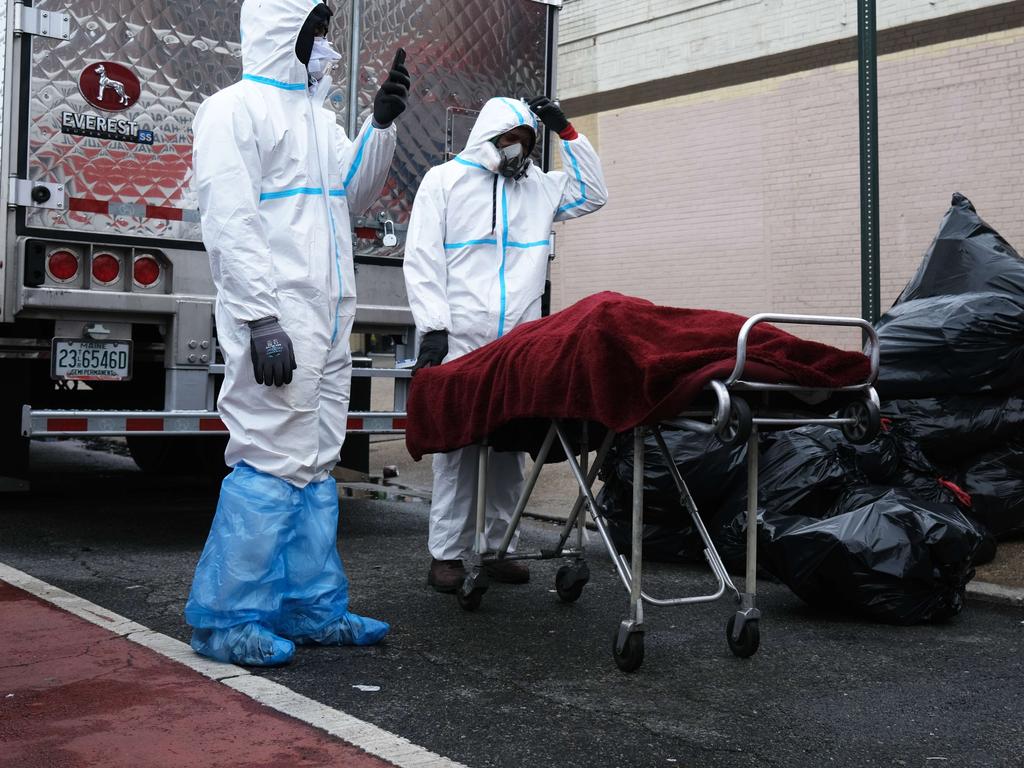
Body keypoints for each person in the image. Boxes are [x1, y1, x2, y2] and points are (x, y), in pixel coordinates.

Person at [184, 0, 410, 666]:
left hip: (329, 316)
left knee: (314, 459)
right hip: (279, 317)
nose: (325, 45)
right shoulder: (233, 110)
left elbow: (352, 192)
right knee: (269, 456)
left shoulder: (317, 119)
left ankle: (311, 608)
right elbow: (230, 219)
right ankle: (226, 618)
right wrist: (260, 317)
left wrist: (380, 126)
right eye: (315, 31)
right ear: (284, 33)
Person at [403, 96, 608, 592]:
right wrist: (432, 328)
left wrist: (568, 132)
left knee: (510, 448)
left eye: (528, 141)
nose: (521, 150)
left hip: (518, 342)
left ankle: (498, 548)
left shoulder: (538, 188)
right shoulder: (445, 182)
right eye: (514, 138)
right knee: (459, 446)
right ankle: (447, 554)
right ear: (491, 137)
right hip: (461, 337)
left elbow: (594, 193)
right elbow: (422, 257)